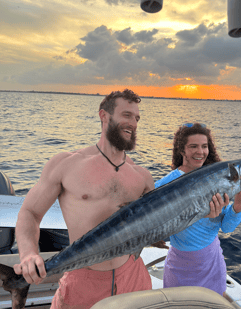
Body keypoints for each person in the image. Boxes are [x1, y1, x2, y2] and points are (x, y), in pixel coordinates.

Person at [13, 89, 154, 308]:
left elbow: (160, 225)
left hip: (133, 275)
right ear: (104, 116)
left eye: (137, 118)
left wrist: (210, 211)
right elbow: (30, 213)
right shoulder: (67, 164)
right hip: (83, 279)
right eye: (126, 115)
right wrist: (29, 254)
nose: (133, 123)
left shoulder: (143, 176)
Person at [155, 123, 241, 298]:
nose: (200, 152)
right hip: (181, 265)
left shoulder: (218, 179)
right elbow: (153, 224)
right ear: (182, 150)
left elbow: (226, 228)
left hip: (212, 262)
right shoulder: (166, 184)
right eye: (193, 146)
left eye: (204, 146)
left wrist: (237, 208)